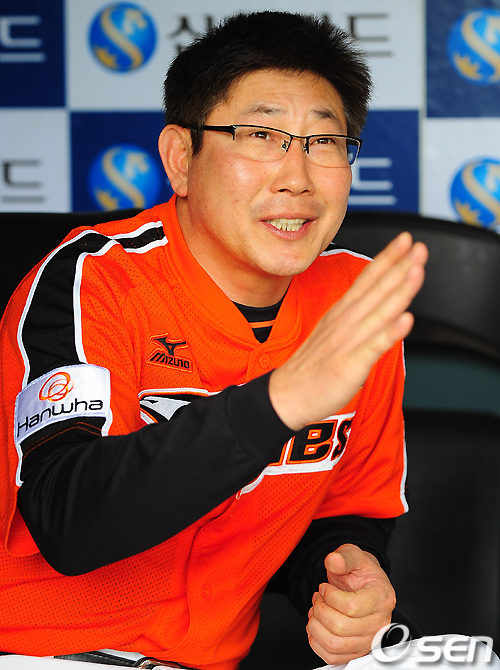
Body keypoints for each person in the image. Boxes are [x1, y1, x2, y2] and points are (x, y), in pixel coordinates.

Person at [0, 11, 429, 670]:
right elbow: (68, 518)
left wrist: (348, 575)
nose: (296, 177)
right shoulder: (95, 279)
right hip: (34, 652)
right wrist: (280, 402)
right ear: (181, 158)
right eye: (261, 136)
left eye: (323, 141)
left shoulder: (356, 302)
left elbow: (343, 509)